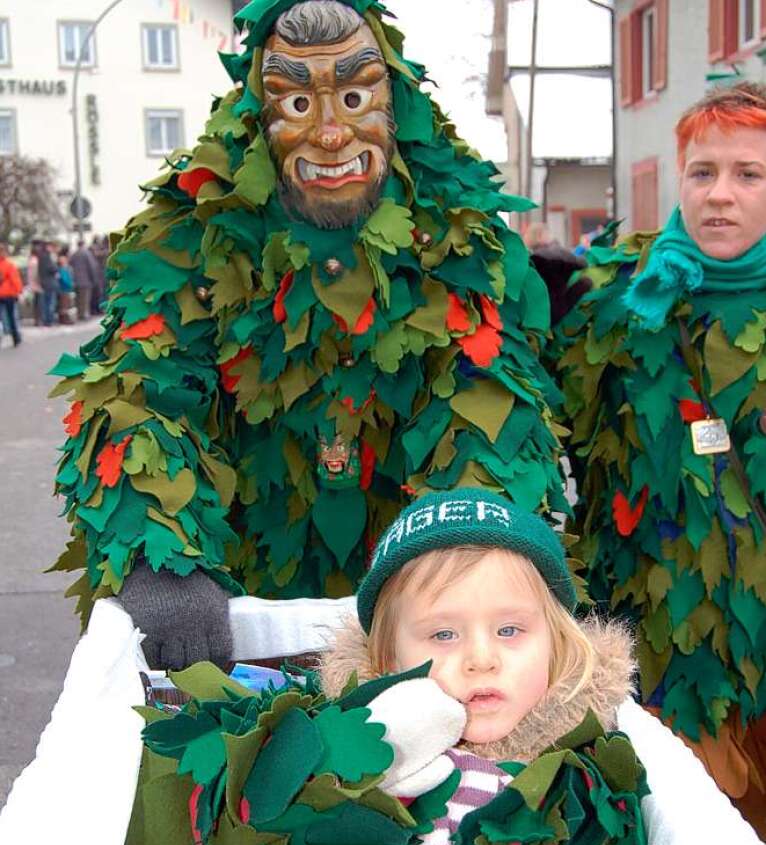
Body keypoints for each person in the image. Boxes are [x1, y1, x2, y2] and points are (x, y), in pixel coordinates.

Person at [83, 489, 764, 845]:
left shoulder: (582, 781)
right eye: (442, 633)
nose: (480, 656)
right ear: (386, 660)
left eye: (510, 630)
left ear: (557, 647)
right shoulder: (346, 744)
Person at [49, 0, 568, 674]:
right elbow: (137, 389)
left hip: (415, 595)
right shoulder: (193, 228)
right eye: (295, 103)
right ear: (255, 118)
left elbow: (489, 400)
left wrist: (465, 549)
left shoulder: (454, 237)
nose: (330, 133)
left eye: (354, 97)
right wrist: (164, 556)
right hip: (241, 598)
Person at [555, 81, 766, 838]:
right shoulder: (622, 302)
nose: (720, 195)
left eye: (749, 174)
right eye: (703, 172)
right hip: (669, 650)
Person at [69, 238, 100, 320]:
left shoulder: (74, 254)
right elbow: (91, 267)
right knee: (85, 298)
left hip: (76, 280)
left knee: (78, 298)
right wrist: (94, 279)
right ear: (83, 244)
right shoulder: (87, 253)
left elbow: (70, 265)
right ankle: (84, 314)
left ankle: (79, 314)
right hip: (86, 280)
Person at [0, 243, 23, 346]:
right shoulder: (9, 265)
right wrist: (19, 291)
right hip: (9, 294)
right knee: (11, 317)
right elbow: (15, 280)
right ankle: (16, 338)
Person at [38, 240, 59, 326]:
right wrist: (56, 266)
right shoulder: (46, 256)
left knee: (46, 302)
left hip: (44, 282)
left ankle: (47, 320)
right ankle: (49, 320)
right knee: (50, 302)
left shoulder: (41, 256)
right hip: (49, 282)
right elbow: (52, 269)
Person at [57, 250, 76, 324]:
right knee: (64, 305)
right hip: (64, 289)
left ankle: (64, 319)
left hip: (64, 289)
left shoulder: (63, 268)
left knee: (65, 305)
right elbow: (65, 279)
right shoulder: (63, 269)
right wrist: (70, 285)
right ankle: (64, 320)